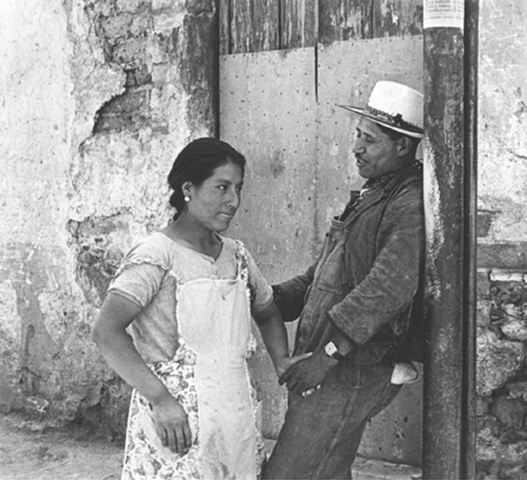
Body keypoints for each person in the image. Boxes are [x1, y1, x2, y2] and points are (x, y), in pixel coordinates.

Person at [91, 137, 309, 480]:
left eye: (237, 189)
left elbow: (267, 312)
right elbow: (106, 332)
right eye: (222, 187)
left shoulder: (236, 255)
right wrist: (160, 399)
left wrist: (281, 359)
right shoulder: (156, 256)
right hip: (177, 418)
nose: (233, 201)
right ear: (188, 188)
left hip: (234, 405)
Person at [263, 80, 426, 479]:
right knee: (327, 470)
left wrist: (326, 356)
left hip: (350, 368)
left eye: (369, 140)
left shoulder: (407, 202)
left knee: (290, 474)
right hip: (334, 364)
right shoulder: (374, 194)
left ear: (402, 146)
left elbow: (389, 288)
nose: (356, 148)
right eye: (358, 136)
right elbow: (321, 275)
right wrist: (264, 296)